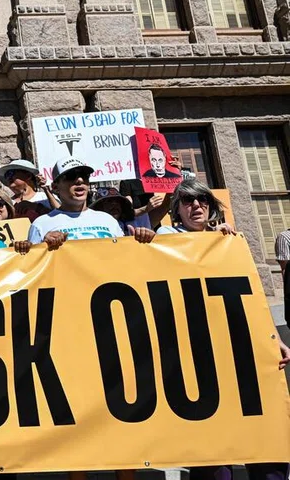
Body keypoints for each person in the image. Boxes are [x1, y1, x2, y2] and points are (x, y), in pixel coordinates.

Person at [155, 181, 289, 480]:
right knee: (213, 457)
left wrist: (274, 337)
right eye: (187, 201)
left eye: (202, 199)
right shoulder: (166, 237)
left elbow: (249, 294)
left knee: (265, 443)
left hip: (238, 347)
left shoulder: (229, 241)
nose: (196, 206)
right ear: (176, 210)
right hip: (195, 353)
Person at [27, 158, 155, 249]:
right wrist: (43, 246)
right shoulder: (41, 224)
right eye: (71, 176)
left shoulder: (107, 220)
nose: (80, 180)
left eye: (85, 175)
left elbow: (124, 257)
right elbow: (32, 268)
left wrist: (142, 241)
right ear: (55, 187)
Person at [156, 180, 234, 236]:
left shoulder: (223, 233)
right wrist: (213, 238)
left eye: (202, 198)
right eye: (188, 199)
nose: (196, 204)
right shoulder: (167, 233)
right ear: (177, 208)